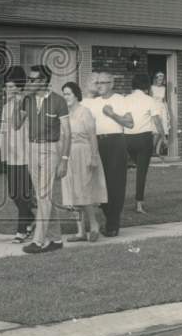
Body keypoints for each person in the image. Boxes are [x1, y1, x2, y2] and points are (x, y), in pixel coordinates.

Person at [15, 64, 71, 254]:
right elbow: (16, 125)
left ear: (44, 81)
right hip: (32, 148)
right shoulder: (27, 100)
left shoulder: (58, 101)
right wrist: (20, 99)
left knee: (44, 196)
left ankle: (38, 242)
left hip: (50, 149)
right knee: (42, 196)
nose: (28, 82)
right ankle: (56, 239)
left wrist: (64, 159)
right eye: (29, 79)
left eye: (32, 79)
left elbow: (68, 132)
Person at [0, 66, 35, 243]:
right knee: (14, 194)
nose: (8, 91)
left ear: (20, 87)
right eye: (6, 87)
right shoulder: (6, 108)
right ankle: (30, 218)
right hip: (11, 155)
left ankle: (22, 231)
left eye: (12, 87)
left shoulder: (28, 103)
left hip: (27, 155)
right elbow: (2, 132)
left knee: (22, 194)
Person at [84, 71, 133, 237]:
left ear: (112, 84)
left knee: (115, 184)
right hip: (97, 143)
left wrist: (112, 114)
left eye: (103, 82)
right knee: (99, 184)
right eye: (97, 83)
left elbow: (130, 123)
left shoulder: (120, 100)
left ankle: (113, 224)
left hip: (115, 142)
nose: (100, 86)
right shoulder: (93, 102)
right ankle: (108, 220)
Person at [58, 82, 107, 241]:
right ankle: (80, 232)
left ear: (76, 95)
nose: (66, 97)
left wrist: (93, 156)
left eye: (69, 94)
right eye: (64, 94)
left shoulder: (84, 112)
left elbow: (93, 136)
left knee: (84, 192)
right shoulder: (64, 114)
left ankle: (94, 226)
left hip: (84, 153)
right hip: (68, 155)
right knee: (72, 194)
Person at [124, 72, 164, 214]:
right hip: (143, 139)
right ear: (146, 85)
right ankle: (139, 204)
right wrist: (163, 137)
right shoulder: (149, 100)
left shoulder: (125, 99)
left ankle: (114, 201)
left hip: (126, 139)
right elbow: (157, 121)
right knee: (141, 172)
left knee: (120, 173)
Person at [150, 72, 170, 157]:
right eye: (159, 79)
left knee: (164, 130)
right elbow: (150, 100)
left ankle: (157, 151)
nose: (160, 81)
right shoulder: (151, 87)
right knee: (156, 131)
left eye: (162, 79)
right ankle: (152, 150)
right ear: (156, 79)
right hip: (155, 108)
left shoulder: (163, 88)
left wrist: (168, 111)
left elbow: (164, 100)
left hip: (162, 109)